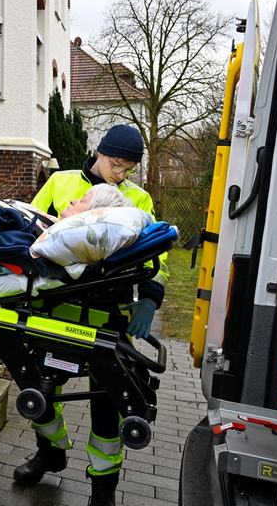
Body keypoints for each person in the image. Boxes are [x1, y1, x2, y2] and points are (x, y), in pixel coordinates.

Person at [15, 124, 169, 506]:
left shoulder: (139, 198)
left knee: (109, 402)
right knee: (40, 387)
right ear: (98, 152)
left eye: (128, 169)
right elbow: (28, 232)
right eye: (116, 165)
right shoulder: (60, 183)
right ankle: (50, 452)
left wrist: (149, 298)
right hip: (54, 308)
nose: (121, 175)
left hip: (107, 313)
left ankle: (103, 486)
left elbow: (156, 258)